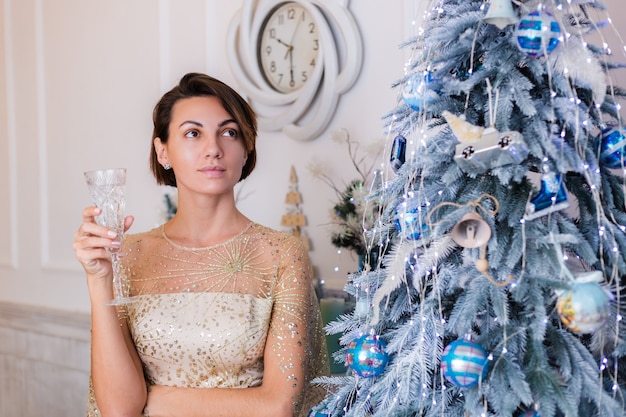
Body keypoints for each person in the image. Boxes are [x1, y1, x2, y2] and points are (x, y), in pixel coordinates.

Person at [74, 72, 330, 417]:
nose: (213, 149)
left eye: (229, 132)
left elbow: (278, 407)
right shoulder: (127, 255)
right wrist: (98, 280)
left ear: (246, 149)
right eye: (193, 133)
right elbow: (119, 409)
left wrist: (157, 400)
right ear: (163, 150)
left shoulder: (281, 254)